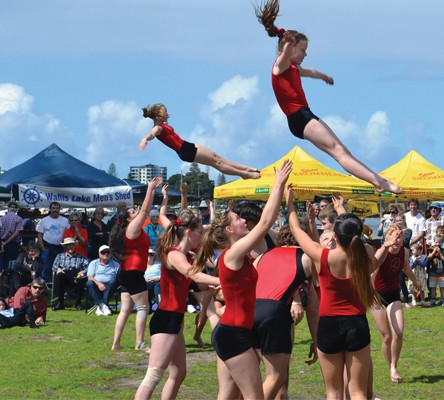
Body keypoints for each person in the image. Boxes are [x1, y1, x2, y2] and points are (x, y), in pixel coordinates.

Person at [255, 1, 402, 195]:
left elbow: (310, 72)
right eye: (303, 50)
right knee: (339, 152)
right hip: (299, 117)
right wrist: (289, 44)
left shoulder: (294, 68)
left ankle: (377, 181)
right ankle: (379, 182)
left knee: (342, 151)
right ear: (290, 48)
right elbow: (284, 57)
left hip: (304, 115)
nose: (306, 54)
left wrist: (323, 76)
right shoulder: (279, 66)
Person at [192, 159, 291, 399]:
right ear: (229, 230)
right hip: (233, 334)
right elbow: (265, 223)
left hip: (236, 332)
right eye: (238, 219)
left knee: (229, 395)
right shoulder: (233, 254)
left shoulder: (241, 254)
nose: (243, 221)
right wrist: (278, 184)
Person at [285, 186, 381, 399]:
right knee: (358, 392)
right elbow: (352, 233)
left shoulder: (322, 255)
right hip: (356, 324)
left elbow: (295, 229)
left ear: (335, 235)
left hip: (328, 325)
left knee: (333, 392)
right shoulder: (365, 255)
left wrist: (289, 202)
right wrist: (341, 210)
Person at [134, 210, 221, 400]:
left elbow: (197, 284)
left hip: (174, 320)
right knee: (153, 375)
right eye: (200, 232)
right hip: (166, 319)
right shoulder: (174, 255)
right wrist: (223, 281)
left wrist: (214, 284)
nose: (202, 237)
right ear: (189, 232)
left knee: (179, 372)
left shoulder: (187, 256)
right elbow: (194, 274)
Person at [251, 224, 319, 399]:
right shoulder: (307, 258)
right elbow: (313, 309)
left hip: (250, 311)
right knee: (277, 377)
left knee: (256, 376)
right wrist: (316, 340)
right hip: (274, 312)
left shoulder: (263, 256)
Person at [139, 104, 260, 180]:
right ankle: (244, 174)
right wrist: (145, 140)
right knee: (216, 163)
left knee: (217, 157)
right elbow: (151, 134)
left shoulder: (163, 124)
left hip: (187, 145)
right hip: (185, 151)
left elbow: (165, 125)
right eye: (165, 112)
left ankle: (245, 168)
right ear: (159, 115)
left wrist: (163, 117)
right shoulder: (157, 128)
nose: (168, 114)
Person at [111, 177, 162, 351]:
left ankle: (116, 343)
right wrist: (149, 188)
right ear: (128, 219)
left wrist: (153, 190)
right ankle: (139, 343)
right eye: (133, 212)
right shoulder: (132, 229)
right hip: (132, 273)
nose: (136, 212)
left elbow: (146, 209)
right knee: (143, 307)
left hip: (127, 272)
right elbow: (146, 210)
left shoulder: (132, 229)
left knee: (126, 309)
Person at [370, 225, 422, 383]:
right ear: (386, 238)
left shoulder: (404, 251)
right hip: (376, 297)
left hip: (393, 296)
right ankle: (390, 367)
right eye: (392, 236)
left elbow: (405, 267)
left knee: (398, 333)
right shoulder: (381, 252)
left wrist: (416, 281)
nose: (396, 240)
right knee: (386, 337)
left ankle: (394, 366)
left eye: (399, 236)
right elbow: (371, 272)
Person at [51, 237, 89, 311]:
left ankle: (78, 303)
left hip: (76, 275)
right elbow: (54, 267)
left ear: (74, 246)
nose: (70, 247)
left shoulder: (81, 257)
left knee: (80, 279)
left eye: (72, 245)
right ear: (65, 247)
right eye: (68, 245)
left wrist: (83, 272)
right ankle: (60, 303)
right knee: (59, 276)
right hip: (64, 275)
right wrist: (58, 269)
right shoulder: (60, 256)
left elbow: (88, 267)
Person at [36, 201, 70, 281]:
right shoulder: (44, 220)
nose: (55, 210)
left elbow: (69, 233)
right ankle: (45, 284)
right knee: (46, 267)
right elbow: (39, 235)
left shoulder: (65, 220)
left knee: (59, 268)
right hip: (47, 246)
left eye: (57, 208)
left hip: (60, 247)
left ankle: (57, 284)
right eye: (53, 208)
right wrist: (43, 248)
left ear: (59, 209)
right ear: (50, 209)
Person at [86, 245, 119, 316]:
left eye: (108, 252)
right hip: (96, 286)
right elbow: (90, 277)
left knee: (114, 281)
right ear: (99, 254)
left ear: (110, 254)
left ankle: (100, 306)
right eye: (103, 252)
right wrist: (99, 284)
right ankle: (103, 306)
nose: (106, 254)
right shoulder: (93, 263)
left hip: (110, 286)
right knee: (89, 283)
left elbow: (119, 277)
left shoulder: (116, 264)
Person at [1, 201, 24, 273]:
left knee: (1, 261)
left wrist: (3, 243)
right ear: (16, 209)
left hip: (1, 242)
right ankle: (8, 277)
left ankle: (2, 277)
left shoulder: (2, 218)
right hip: (13, 243)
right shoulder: (19, 219)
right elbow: (16, 234)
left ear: (8, 208)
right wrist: (6, 243)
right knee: (11, 263)